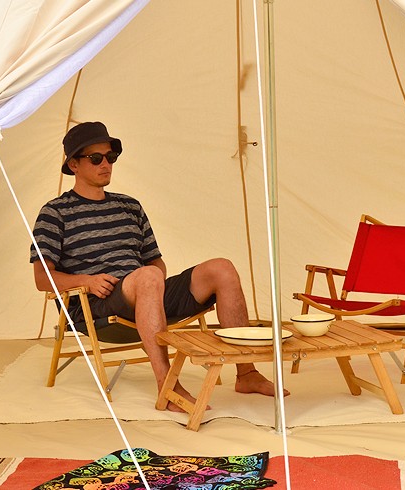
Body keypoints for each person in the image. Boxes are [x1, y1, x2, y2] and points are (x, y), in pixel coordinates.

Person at [30, 121, 288, 412]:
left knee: (222, 268)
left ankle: (247, 373)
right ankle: (168, 387)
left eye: (111, 157)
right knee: (149, 276)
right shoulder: (55, 213)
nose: (106, 164)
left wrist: (153, 286)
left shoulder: (130, 206)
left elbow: (154, 260)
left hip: (145, 289)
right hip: (97, 301)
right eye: (96, 158)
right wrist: (86, 281)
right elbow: (42, 278)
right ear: (74, 165)